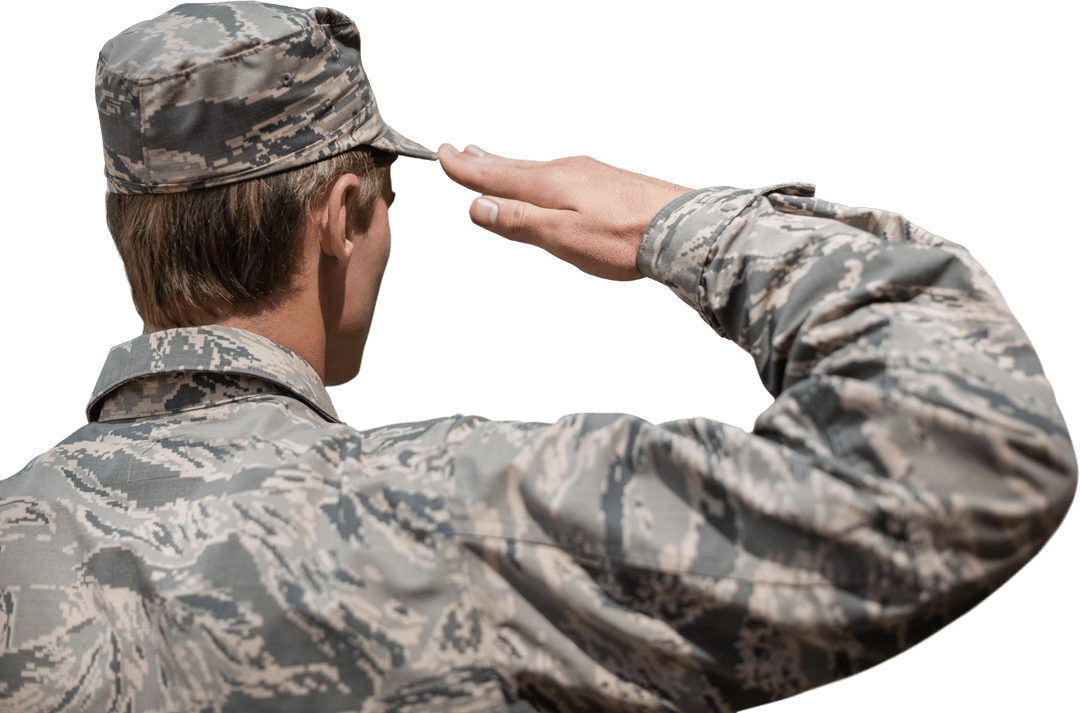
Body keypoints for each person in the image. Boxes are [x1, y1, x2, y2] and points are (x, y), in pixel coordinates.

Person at [0, 1, 1075, 711]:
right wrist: (683, 225)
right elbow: (973, 452)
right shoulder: (443, 517)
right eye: (384, 203)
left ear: (122, 229)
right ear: (340, 214)